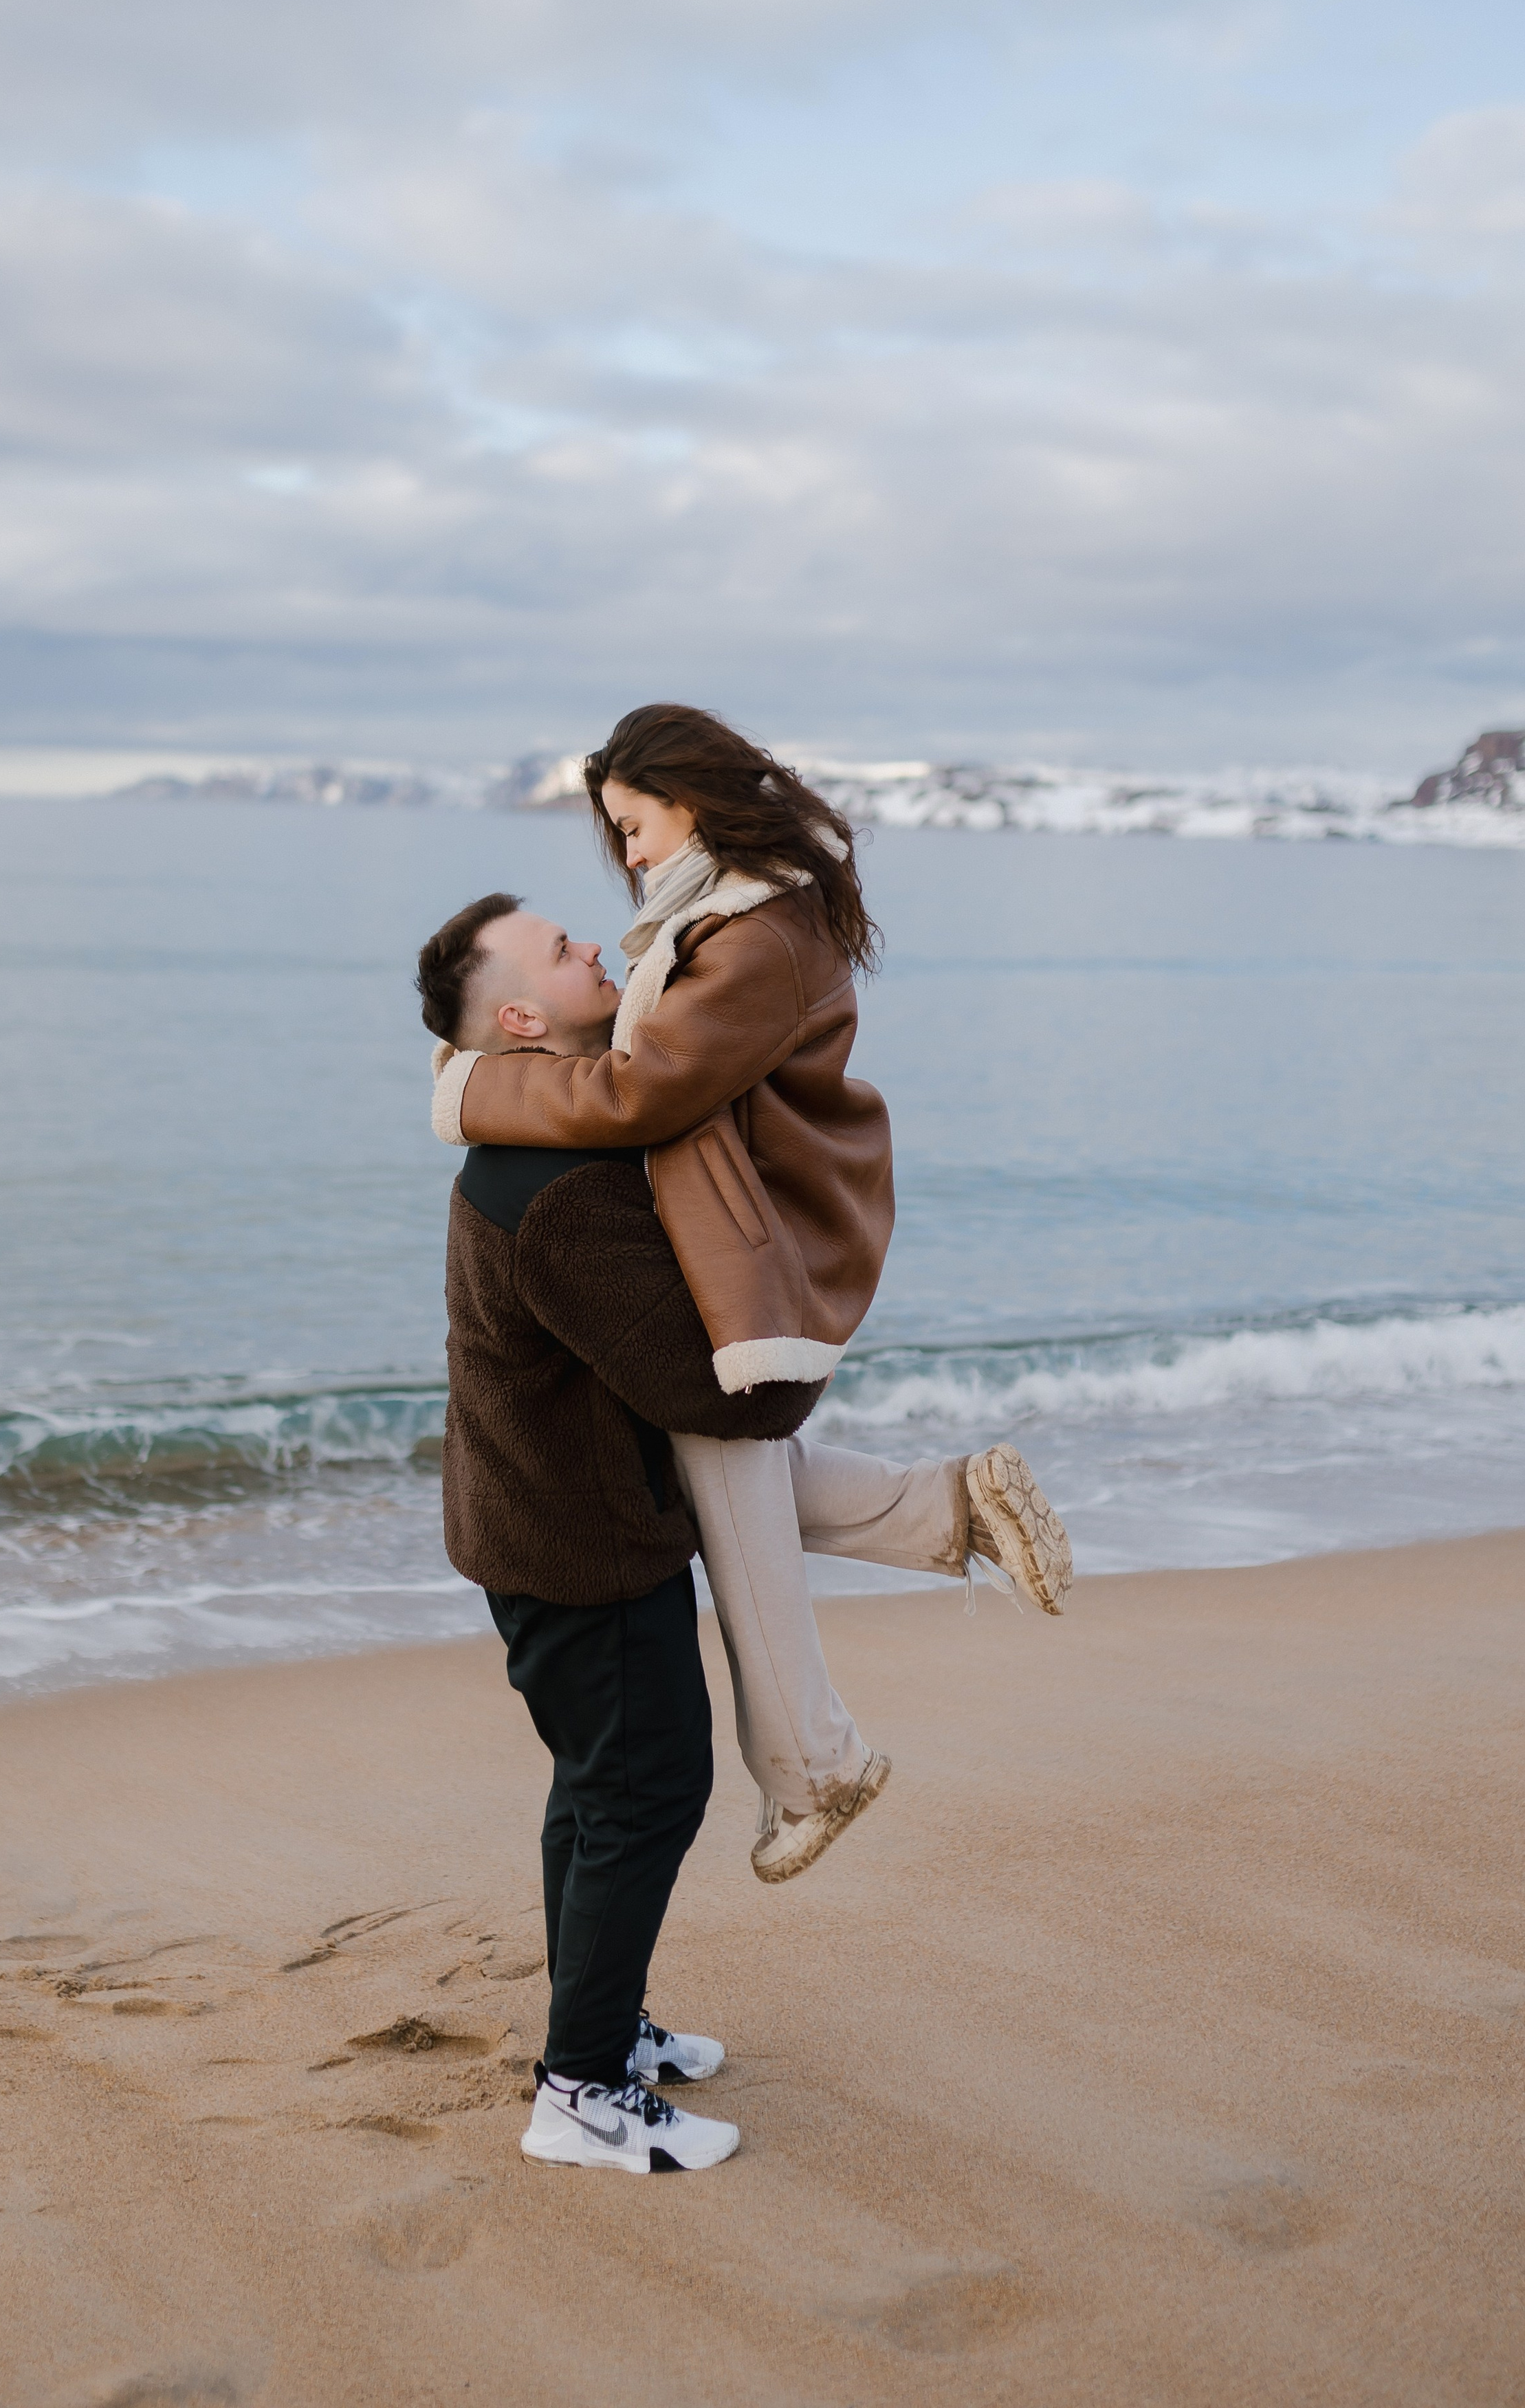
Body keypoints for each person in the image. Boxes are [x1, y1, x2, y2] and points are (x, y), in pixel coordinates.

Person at [428, 707, 1073, 1883]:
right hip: (726, 1218)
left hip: (750, 1232)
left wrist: (473, 1092)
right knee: (710, 1465)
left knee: (718, 1458)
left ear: (692, 801)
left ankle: (820, 1765)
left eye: (632, 827)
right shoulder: (726, 911)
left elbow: (639, 1096)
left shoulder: (753, 930)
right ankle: (937, 1524)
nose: (624, 857)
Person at [416, 892, 826, 2175]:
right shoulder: (554, 1183)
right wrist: (801, 1359)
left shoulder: (531, 1142)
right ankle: (582, 2095)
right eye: (560, 949)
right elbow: (701, 1385)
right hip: (578, 1545)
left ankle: (599, 2031)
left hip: (543, 1526)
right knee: (649, 1795)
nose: (597, 943)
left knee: (598, 1794)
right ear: (526, 1018)